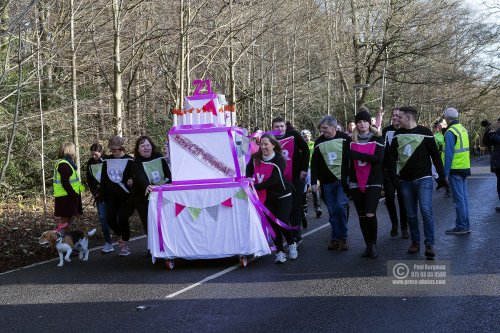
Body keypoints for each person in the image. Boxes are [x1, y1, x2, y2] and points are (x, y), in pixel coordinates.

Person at [391, 106, 447, 259]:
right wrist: (394, 177)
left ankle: (429, 244)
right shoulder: (397, 134)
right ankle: (415, 242)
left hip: (424, 179)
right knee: (410, 214)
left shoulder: (426, 133)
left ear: (409, 118)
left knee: (426, 210)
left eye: (399, 117)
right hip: (405, 181)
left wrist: (442, 179)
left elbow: (435, 156)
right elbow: (392, 157)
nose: (396, 119)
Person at [246, 134, 297, 264]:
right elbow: (248, 173)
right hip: (265, 196)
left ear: (273, 145)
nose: (263, 147)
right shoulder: (254, 158)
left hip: (283, 194)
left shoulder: (279, 159)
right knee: (272, 225)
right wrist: (248, 183)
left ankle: (291, 243)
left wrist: (254, 186)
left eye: (266, 144)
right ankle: (279, 252)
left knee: (282, 221)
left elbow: (273, 181)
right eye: (261, 144)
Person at [311, 115, 351, 251]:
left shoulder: (346, 138)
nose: (322, 131)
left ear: (333, 127)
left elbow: (352, 158)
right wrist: (313, 182)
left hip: (342, 180)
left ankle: (343, 237)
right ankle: (335, 238)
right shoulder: (318, 142)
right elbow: (314, 164)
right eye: (321, 129)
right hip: (326, 182)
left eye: (325, 128)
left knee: (340, 207)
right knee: (332, 211)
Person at [349, 109, 385, 258]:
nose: (362, 124)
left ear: (369, 123)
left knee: (370, 213)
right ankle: (368, 245)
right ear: (356, 124)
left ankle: (374, 244)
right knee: (362, 215)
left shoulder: (377, 138)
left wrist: (356, 154)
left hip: (373, 181)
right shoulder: (351, 141)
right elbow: (347, 162)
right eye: (359, 122)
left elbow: (378, 159)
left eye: (364, 121)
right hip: (355, 182)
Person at [271, 117, 310, 244]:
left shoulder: (294, 135)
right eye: (276, 127)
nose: (279, 129)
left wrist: (304, 169)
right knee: (284, 207)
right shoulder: (270, 139)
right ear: (272, 128)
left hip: (296, 176)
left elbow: (305, 150)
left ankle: (296, 233)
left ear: (285, 126)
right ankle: (287, 231)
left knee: (296, 205)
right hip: (280, 179)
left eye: (281, 126)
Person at [130, 135, 172, 236]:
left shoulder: (159, 157)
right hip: (142, 197)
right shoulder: (136, 162)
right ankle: (152, 248)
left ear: (152, 146)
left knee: (163, 221)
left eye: (148, 145)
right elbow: (140, 176)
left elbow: (168, 175)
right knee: (148, 222)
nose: (146, 147)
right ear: (138, 149)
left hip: (161, 195)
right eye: (142, 146)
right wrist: (147, 185)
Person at [100, 136, 134, 256]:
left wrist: (131, 181)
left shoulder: (130, 160)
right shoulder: (106, 160)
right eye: (112, 149)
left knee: (123, 219)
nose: (113, 151)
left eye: (116, 149)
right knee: (109, 219)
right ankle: (121, 235)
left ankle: (124, 246)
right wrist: (102, 195)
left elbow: (133, 176)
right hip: (111, 196)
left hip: (125, 196)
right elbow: (103, 178)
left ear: (121, 148)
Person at [442, 108, 472, 234]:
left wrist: (445, 174)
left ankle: (461, 226)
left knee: (459, 200)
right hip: (464, 167)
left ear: (446, 118)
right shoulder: (462, 128)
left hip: (455, 169)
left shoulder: (450, 132)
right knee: (464, 199)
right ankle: (466, 224)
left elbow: (449, 154)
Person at [382, 108, 409, 238]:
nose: (394, 117)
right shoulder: (386, 131)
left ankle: (404, 227)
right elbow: (382, 151)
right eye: (393, 115)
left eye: (397, 116)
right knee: (389, 197)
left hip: (403, 171)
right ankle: (394, 224)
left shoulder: (406, 130)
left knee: (403, 199)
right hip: (388, 170)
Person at [85, 143, 113, 253]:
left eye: (95, 154)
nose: (94, 157)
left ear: (101, 152)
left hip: (111, 194)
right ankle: (108, 242)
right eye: (92, 154)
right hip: (99, 196)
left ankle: (122, 241)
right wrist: (95, 192)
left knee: (115, 218)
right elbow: (89, 179)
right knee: (102, 218)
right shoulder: (90, 163)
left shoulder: (107, 160)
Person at [53, 142, 84, 231]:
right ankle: (63, 240)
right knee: (65, 222)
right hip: (66, 197)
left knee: (66, 222)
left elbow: (72, 181)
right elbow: (65, 182)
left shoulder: (66, 163)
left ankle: (64, 239)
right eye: (73, 150)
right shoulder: (64, 164)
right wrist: (73, 194)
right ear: (69, 151)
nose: (75, 152)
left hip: (66, 196)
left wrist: (80, 190)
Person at [301, 129, 322, 221]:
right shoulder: (299, 146)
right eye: (305, 137)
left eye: (308, 136)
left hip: (312, 169)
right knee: (303, 191)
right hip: (303, 170)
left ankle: (318, 208)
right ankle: (304, 210)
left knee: (315, 188)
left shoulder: (313, 144)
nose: (307, 138)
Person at [482, 120, 500, 212]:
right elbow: (486, 142)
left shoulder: (497, 133)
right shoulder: (497, 132)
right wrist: (487, 132)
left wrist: (494, 135)